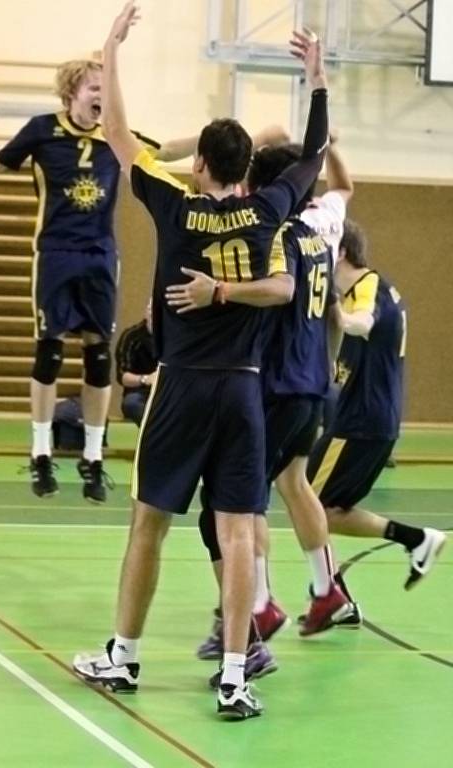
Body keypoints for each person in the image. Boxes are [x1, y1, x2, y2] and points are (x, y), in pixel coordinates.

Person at [72, 3, 328, 721]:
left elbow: (120, 138)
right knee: (240, 530)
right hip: (246, 394)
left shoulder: (176, 207)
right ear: (246, 169)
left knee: (149, 523)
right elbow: (313, 153)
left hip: (181, 390)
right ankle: (236, 675)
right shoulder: (269, 209)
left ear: (203, 166)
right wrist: (317, 80)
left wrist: (112, 49)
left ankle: (123, 654)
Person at [0, 58, 199, 503]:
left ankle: (93, 457)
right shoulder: (42, 129)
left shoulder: (114, 135)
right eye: (94, 87)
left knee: (97, 356)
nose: (101, 95)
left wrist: (209, 137)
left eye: (106, 88)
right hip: (55, 253)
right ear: (72, 92)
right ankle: (40, 452)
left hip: (99, 256)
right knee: (50, 350)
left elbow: (166, 150)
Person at [188, 137, 356, 664]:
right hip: (314, 383)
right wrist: (326, 147)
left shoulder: (272, 231)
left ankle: (258, 604)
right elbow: (345, 186)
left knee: (237, 497)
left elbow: (268, 291)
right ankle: (325, 587)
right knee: (293, 480)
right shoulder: (327, 221)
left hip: (275, 382)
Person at [307, 220, 446, 595]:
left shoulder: (366, 287)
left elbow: (362, 322)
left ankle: (329, 596)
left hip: (361, 421)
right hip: (370, 419)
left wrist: (337, 315)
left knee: (308, 505)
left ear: (341, 252)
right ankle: (415, 539)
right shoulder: (370, 288)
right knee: (328, 510)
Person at [114, 301, 157, 426]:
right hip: (140, 392)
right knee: (131, 403)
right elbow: (122, 376)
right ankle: (155, 433)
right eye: (150, 309)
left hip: (169, 391)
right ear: (146, 312)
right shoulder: (131, 337)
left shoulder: (175, 337)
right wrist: (145, 379)